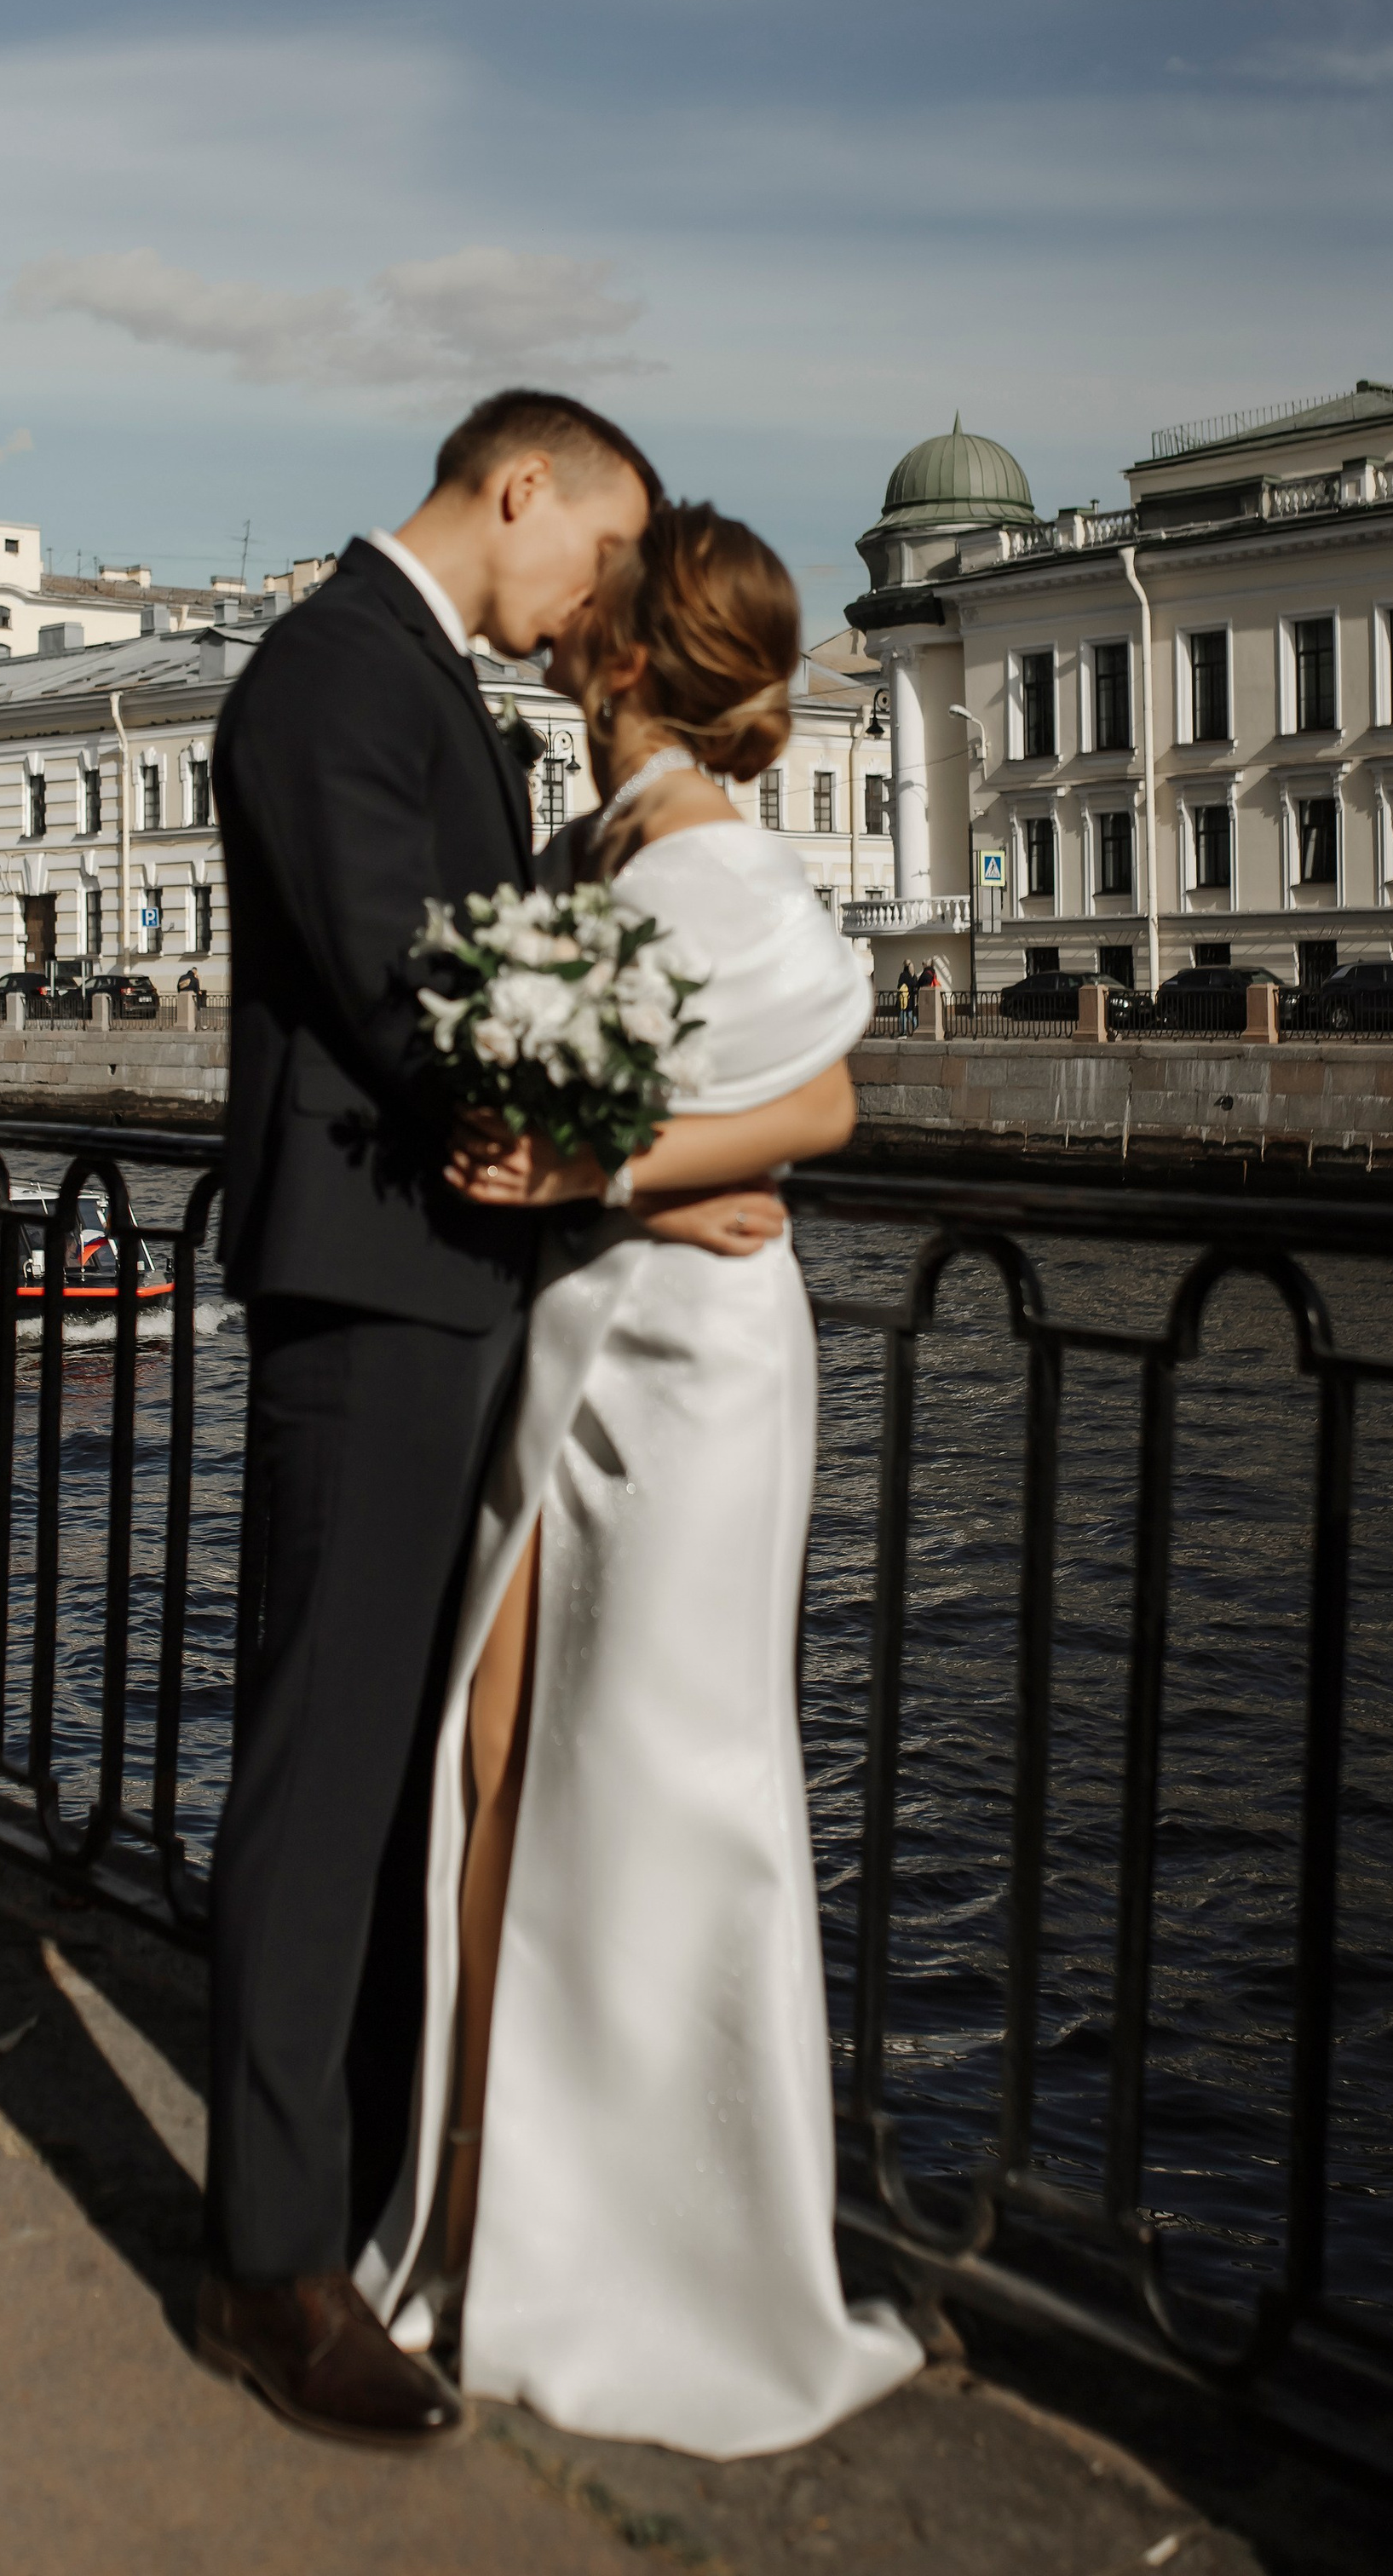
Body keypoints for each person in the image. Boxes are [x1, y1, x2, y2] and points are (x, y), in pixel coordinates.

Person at [197, 393, 779, 2451]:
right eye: (596, 560)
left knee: (384, 1769)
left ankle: (346, 2202)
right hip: (371, 1285)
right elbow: (410, 995)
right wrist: (650, 1169)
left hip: (429, 1282)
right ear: (517, 487)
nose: (592, 608)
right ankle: (270, 2268)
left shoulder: (402, 678)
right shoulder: (331, 672)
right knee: (323, 1766)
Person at [359, 500, 924, 2458]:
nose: (553, 614)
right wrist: (608, 1173)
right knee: (502, 1750)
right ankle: (478, 2215)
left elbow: (828, 1101)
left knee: (665, 1785)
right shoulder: (596, 841)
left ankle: (657, 2267)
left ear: (619, 656)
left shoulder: (717, 863)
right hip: (590, 1323)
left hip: (692, 1367)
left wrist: (616, 1171)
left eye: (586, 607)